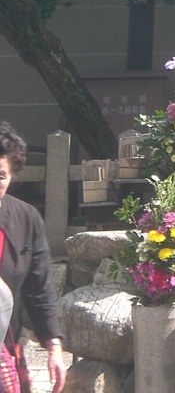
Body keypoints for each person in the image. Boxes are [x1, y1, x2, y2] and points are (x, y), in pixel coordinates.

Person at [0, 123, 66, 393]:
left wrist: (54, 346)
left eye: (1, 175)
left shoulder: (25, 220)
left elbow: (40, 290)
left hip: (4, 345)